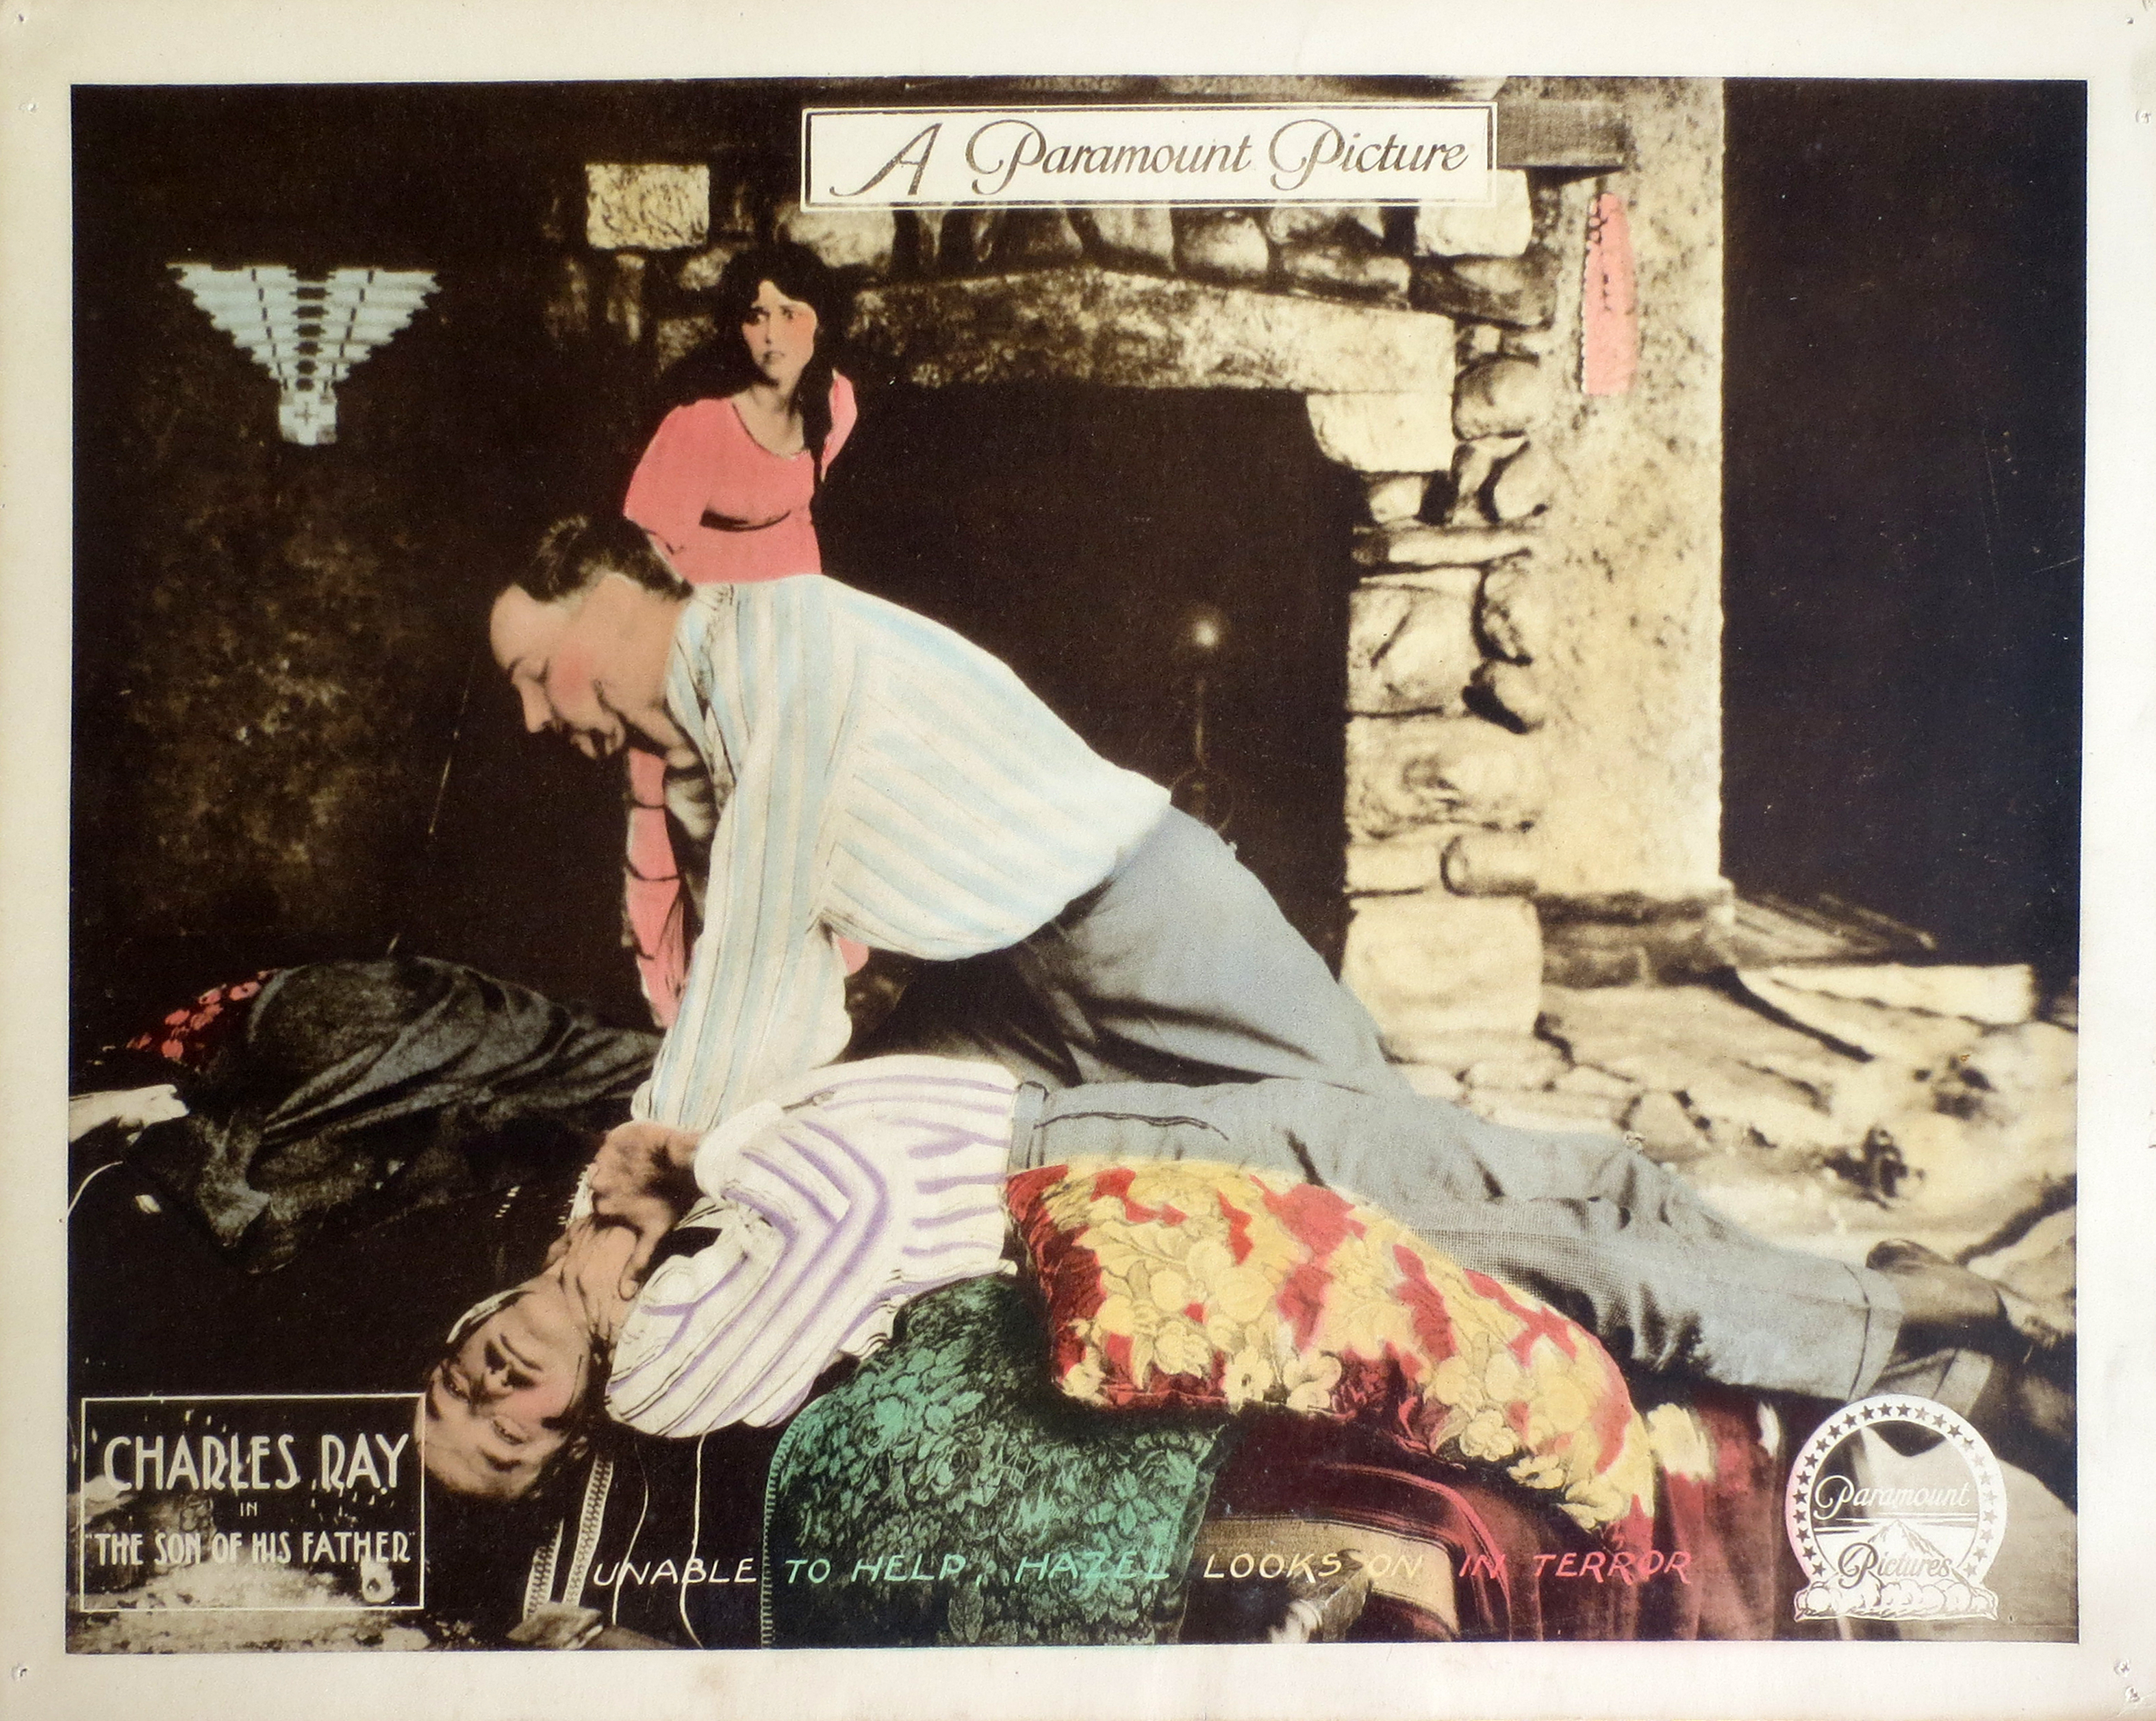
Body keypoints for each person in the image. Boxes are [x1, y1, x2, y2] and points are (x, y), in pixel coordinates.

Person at [420, 1057, 2066, 1502]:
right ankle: (1956, 1339)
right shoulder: (658, 1376)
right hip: (1119, 1196)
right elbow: (848, 1206)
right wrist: (698, 1163)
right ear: (563, 1442)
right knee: (1567, 1265)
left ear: (465, 1324)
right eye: (501, 1444)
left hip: (1096, 1116)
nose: (491, 1396)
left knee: (1585, 1177)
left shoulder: (605, 1237)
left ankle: (1907, 1341)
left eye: (452, 1384)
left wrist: (657, 1190)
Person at [487, 516, 1407, 1143]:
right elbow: (752, 1010)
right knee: (838, 1152)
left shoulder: (778, 637)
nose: (530, 719)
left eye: (533, 673)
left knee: (1381, 1147)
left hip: (1148, 916)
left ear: (612, 603)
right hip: (1000, 985)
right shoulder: (695, 755)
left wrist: (650, 1158)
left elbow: (760, 960)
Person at [616, 243, 863, 1025]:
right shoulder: (698, 427)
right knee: (687, 823)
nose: (772, 333)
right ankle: (686, 1006)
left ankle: (801, 995)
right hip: (693, 643)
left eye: (790, 312)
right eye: (756, 316)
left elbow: (797, 511)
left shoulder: (835, 404)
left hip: (786, 636)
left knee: (794, 808)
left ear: (821, 321)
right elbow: (643, 561)